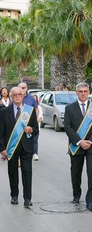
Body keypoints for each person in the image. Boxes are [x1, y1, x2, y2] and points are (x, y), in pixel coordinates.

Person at [0, 86, 38, 208]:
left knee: (27, 173)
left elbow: (36, 129)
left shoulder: (29, 110)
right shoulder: (4, 111)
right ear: (11, 96)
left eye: (19, 95)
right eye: (14, 95)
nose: (17, 97)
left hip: (26, 147)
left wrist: (31, 129)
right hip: (11, 147)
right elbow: (0, 133)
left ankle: (27, 198)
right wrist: (2, 148)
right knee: (12, 173)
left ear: (23, 95)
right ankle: (14, 196)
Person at [64, 82, 92, 212]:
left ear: (88, 92)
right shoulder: (69, 108)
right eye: (80, 91)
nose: (83, 93)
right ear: (76, 92)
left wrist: (89, 142)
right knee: (76, 173)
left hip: (91, 146)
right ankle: (76, 195)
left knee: (91, 174)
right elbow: (68, 127)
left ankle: (90, 200)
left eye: (85, 91)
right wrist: (79, 141)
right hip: (76, 146)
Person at [18, 82, 39, 161]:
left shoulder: (31, 98)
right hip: (18, 123)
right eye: (20, 87)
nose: (22, 89)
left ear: (26, 88)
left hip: (30, 122)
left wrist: (36, 118)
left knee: (33, 138)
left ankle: (34, 153)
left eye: (23, 87)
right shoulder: (16, 97)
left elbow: (36, 108)